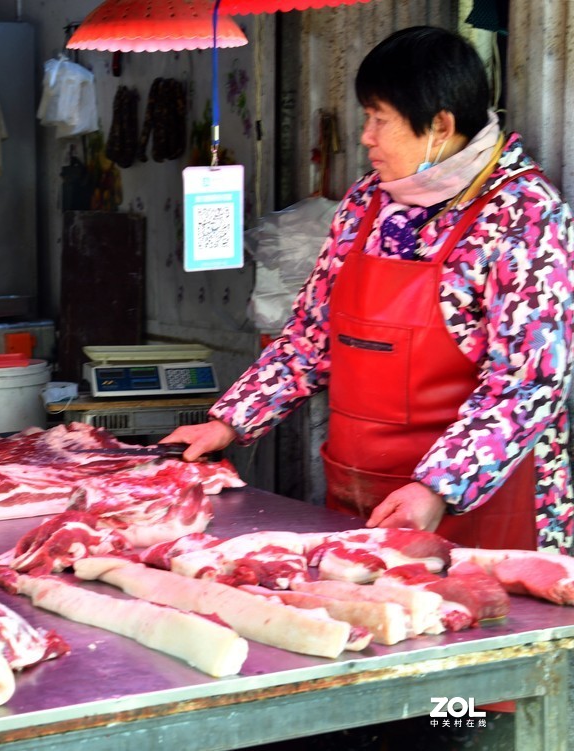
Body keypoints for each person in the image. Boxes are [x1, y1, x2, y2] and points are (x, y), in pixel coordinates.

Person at [163, 26, 574, 554]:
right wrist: (228, 422)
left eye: (380, 119)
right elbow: (311, 339)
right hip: (366, 499)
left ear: (440, 126)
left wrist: (438, 486)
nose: (366, 136)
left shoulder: (523, 215)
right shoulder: (366, 205)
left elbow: (528, 382)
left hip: (480, 513)